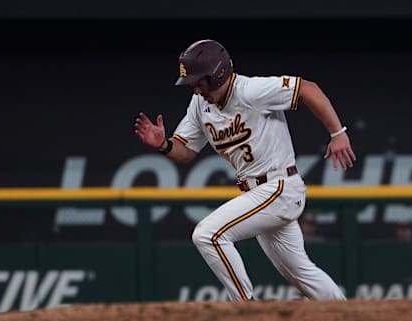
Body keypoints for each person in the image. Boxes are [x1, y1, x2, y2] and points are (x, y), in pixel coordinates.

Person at [134, 39, 355, 301]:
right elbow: (186, 151)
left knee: (207, 235)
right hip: (260, 194)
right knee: (301, 274)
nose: (195, 89)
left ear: (217, 75)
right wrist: (163, 145)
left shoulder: (251, 90)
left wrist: (337, 132)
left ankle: (245, 308)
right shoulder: (199, 105)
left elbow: (307, 88)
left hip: (279, 187)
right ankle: (348, 316)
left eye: (198, 81)